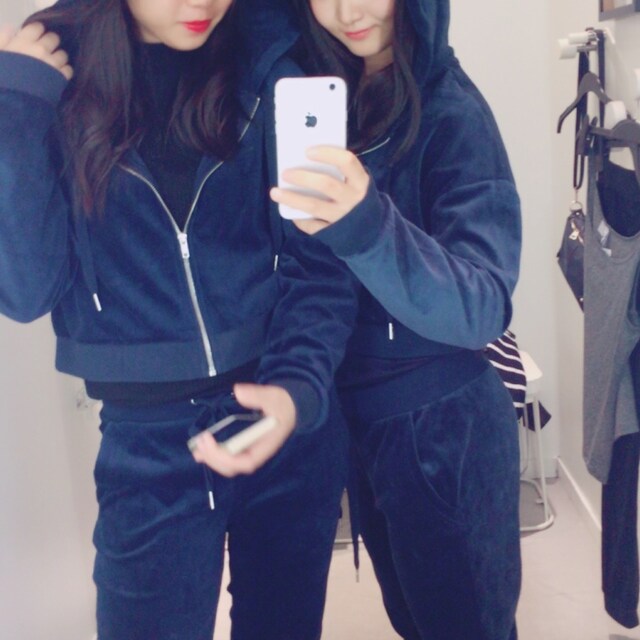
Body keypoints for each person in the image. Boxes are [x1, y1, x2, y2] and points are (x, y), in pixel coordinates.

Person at [0, 1, 358, 638]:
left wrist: (297, 388)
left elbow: (321, 262)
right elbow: (26, 291)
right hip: (147, 447)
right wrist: (18, 108)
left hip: (281, 417)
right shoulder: (50, 77)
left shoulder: (270, 62)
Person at [271, 0, 523, 638]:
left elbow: (483, 304)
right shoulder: (333, 100)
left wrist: (366, 225)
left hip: (442, 429)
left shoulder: (453, 113)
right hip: (361, 425)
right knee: (414, 621)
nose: (346, 10)